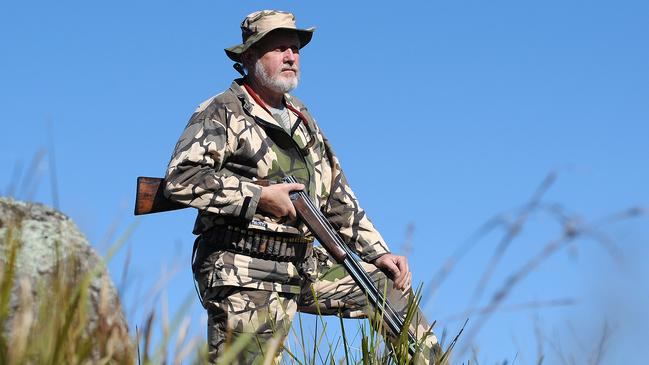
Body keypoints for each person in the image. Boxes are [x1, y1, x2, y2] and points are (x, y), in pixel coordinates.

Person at [164, 9, 441, 364]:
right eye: (278, 48)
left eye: (294, 48)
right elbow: (181, 179)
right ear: (248, 57)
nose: (291, 56)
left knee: (389, 292)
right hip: (245, 267)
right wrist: (260, 196)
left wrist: (378, 253)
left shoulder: (301, 116)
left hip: (304, 263)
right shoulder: (222, 111)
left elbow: (338, 196)